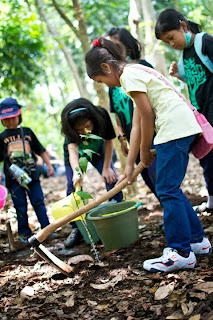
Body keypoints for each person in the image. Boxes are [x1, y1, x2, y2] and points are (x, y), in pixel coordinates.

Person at [85, 37, 211, 273]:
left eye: (102, 81)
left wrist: (144, 152)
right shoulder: (134, 72)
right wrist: (130, 165)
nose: (106, 85)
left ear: (105, 68)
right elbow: (135, 125)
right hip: (180, 126)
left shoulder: (128, 76)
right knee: (171, 188)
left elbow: (146, 116)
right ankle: (197, 242)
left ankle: (180, 252)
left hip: (173, 129)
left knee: (166, 190)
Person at [155, 8, 213, 214]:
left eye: (171, 37)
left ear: (183, 26)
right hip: (202, 115)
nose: (172, 44)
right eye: (166, 42)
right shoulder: (184, 55)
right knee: (207, 158)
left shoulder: (205, 42)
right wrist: (180, 76)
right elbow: (198, 82)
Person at [62, 98, 123, 248]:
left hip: (99, 151)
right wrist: (77, 171)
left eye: (88, 127)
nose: (85, 132)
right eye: (80, 130)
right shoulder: (69, 126)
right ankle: (77, 229)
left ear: (92, 119)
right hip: (76, 154)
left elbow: (109, 141)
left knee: (111, 179)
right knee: (73, 187)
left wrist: (107, 167)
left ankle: (118, 216)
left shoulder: (101, 115)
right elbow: (73, 149)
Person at [105, 27, 158, 198]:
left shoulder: (141, 67)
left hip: (152, 135)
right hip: (132, 138)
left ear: (126, 46)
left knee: (160, 177)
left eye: (114, 45)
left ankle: (176, 213)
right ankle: (169, 209)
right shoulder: (113, 81)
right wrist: (122, 138)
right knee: (147, 178)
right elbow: (117, 113)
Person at [0, 98, 58, 244]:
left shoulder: (27, 132)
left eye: (13, 117)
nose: (11, 121)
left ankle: (47, 229)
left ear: (19, 116)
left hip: (32, 176)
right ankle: (24, 233)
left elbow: (41, 150)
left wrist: (49, 165)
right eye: (6, 119)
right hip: (13, 180)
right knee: (20, 205)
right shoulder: (1, 137)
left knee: (38, 202)